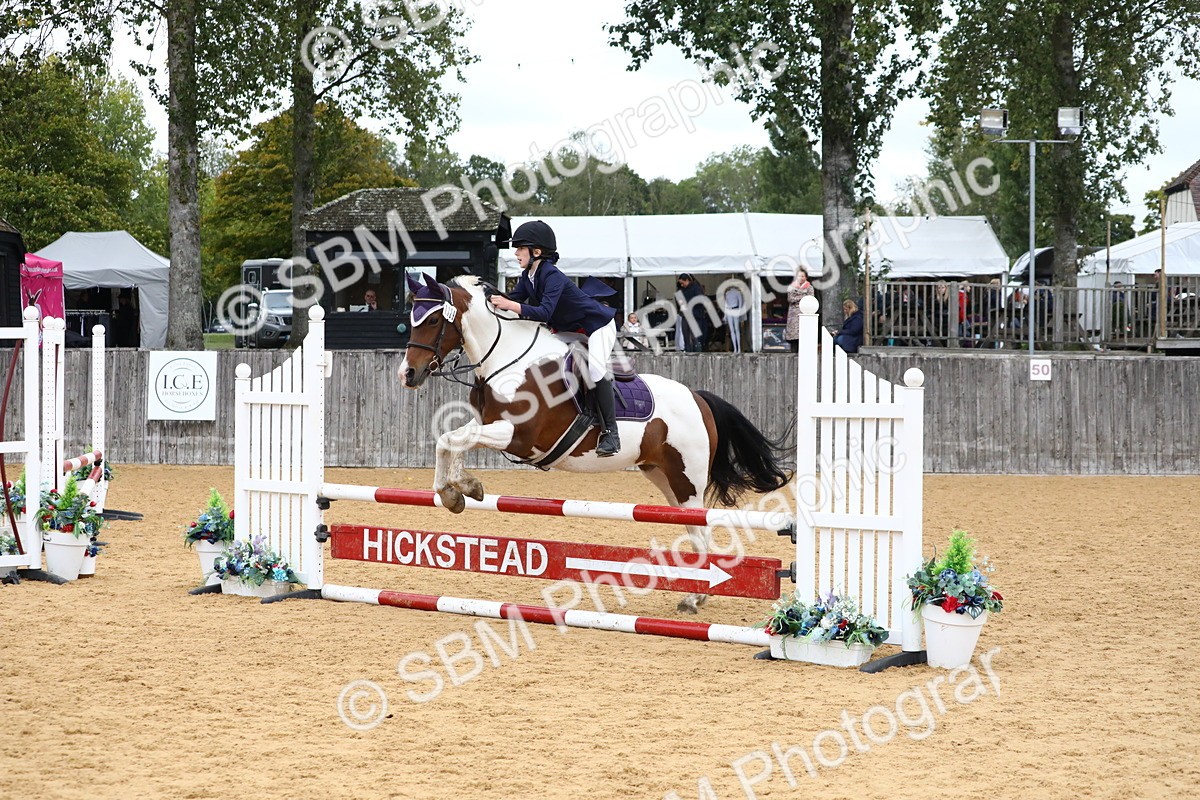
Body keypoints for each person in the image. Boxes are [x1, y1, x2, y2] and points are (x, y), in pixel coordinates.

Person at [489, 220, 622, 457]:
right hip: (571, 328)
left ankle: (611, 433)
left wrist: (509, 304)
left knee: (595, 370)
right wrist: (485, 295)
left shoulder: (552, 276)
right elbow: (512, 299)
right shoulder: (528, 275)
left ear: (536, 252)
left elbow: (543, 312)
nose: (516, 253)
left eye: (520, 248)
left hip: (597, 325)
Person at [676, 273, 708, 352]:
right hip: (686, 315)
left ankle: (696, 352)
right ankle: (688, 351)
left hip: (695, 315)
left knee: (695, 337)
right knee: (686, 336)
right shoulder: (683, 290)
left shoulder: (696, 288)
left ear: (687, 280)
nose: (682, 285)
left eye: (682, 283)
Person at [784, 270, 815, 353]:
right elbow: (790, 299)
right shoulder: (791, 287)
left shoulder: (809, 287)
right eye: (799, 276)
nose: (801, 278)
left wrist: (798, 298)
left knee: (804, 334)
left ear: (806, 277)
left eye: (802, 276)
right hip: (793, 314)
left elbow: (811, 298)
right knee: (793, 336)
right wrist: (803, 297)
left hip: (805, 312)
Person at [723, 284, 746, 353]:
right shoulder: (727, 293)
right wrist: (725, 315)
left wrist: (740, 312)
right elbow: (726, 304)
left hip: (735, 310)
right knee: (733, 330)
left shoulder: (737, 292)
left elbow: (740, 303)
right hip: (730, 311)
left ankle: (738, 348)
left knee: (736, 330)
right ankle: (735, 348)